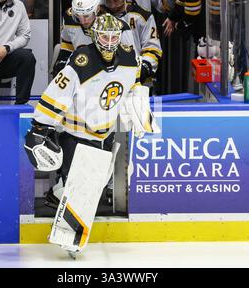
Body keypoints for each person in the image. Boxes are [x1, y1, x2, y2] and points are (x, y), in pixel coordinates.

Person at [24, 13, 159, 257]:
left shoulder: (130, 57)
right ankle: (69, 238)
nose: (109, 41)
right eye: (104, 36)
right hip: (74, 133)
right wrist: (40, 126)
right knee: (83, 186)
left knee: (94, 183)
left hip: (104, 134)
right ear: (95, 36)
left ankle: (57, 196)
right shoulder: (82, 60)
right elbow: (58, 91)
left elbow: (135, 84)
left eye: (113, 36)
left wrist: (141, 112)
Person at [52, 0, 136, 78]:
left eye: (87, 16)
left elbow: (130, 58)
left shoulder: (119, 28)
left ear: (97, 9)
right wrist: (62, 62)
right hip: (81, 70)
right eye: (77, 16)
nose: (83, 21)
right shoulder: (69, 18)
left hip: (109, 74)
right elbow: (67, 44)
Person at [100, 0, 162, 86]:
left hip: (138, 80)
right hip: (105, 80)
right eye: (109, 0)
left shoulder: (143, 16)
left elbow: (153, 49)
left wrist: (144, 69)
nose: (113, 5)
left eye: (116, 0)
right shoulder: (98, 17)